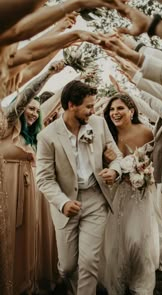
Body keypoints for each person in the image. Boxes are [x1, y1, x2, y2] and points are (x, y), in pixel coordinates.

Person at [36, 80, 122, 295]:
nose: (93, 111)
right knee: (67, 267)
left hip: (95, 198)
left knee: (90, 261)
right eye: (88, 106)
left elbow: (117, 157)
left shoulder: (99, 124)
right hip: (65, 203)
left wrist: (114, 170)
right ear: (71, 105)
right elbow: (44, 179)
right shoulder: (47, 136)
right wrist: (63, 203)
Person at [0, 60, 64, 294]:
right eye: (30, 108)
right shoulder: (7, 126)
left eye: (38, 111)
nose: (34, 113)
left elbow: (53, 103)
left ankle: (32, 280)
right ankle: (13, 282)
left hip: (32, 191)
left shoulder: (35, 133)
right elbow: (25, 99)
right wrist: (47, 73)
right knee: (11, 235)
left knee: (32, 233)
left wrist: (73, 79)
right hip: (7, 185)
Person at [100, 93, 160, 295]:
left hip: (139, 193)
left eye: (120, 109)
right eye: (112, 110)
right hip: (115, 193)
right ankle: (117, 281)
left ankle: (140, 282)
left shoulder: (146, 132)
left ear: (131, 111)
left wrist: (144, 174)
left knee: (138, 239)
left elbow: (153, 161)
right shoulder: (106, 134)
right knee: (115, 239)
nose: (115, 113)